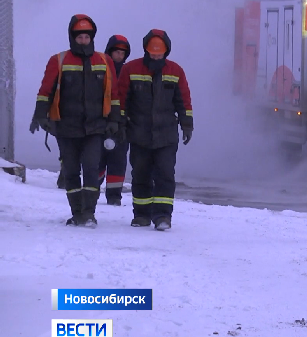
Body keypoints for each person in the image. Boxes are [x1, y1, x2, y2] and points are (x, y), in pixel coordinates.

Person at [30, 14, 121, 227]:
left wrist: (115, 121)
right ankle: (77, 212)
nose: (83, 41)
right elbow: (46, 91)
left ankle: (89, 213)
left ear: (92, 38)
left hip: (95, 127)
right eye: (79, 37)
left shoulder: (104, 61)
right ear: (72, 37)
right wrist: (40, 115)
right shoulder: (59, 60)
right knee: (71, 171)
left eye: (86, 37)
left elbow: (113, 94)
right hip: (66, 127)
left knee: (91, 168)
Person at [118, 29, 193, 231]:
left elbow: (183, 100)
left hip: (166, 135)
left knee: (165, 174)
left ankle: (162, 216)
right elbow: (121, 99)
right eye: (153, 54)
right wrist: (119, 124)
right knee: (140, 173)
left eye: (160, 54)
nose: (156, 57)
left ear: (166, 52)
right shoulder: (131, 69)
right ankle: (141, 215)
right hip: (139, 133)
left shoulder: (175, 71)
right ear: (146, 51)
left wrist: (187, 124)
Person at [98, 35, 131, 205]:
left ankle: (114, 196)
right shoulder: (99, 69)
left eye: (122, 53)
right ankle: (92, 190)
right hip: (99, 120)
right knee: (97, 158)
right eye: (116, 52)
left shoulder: (129, 73)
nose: (119, 56)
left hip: (122, 123)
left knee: (118, 160)